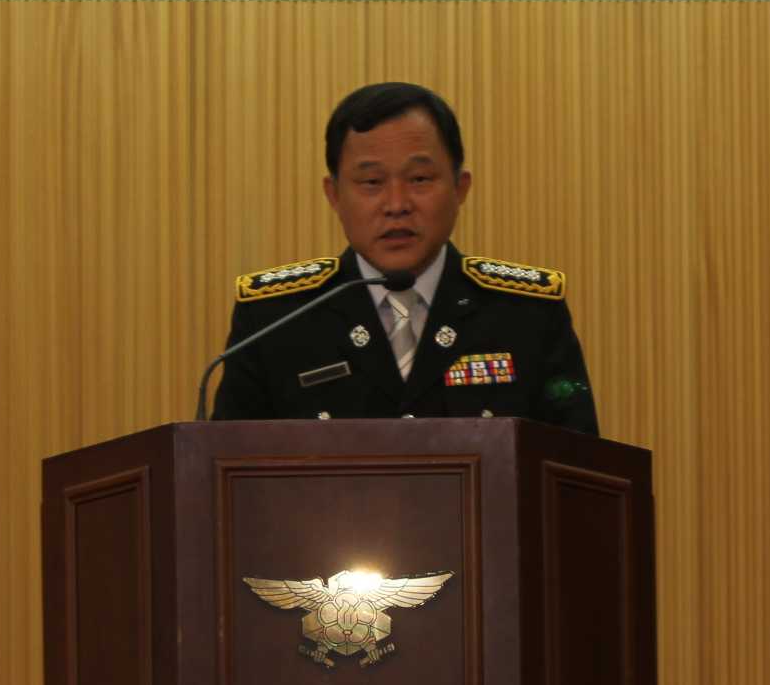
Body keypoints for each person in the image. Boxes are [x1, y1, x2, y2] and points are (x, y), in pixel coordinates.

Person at [208, 82, 599, 435]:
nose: (396, 204)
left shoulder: (527, 313)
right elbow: (225, 469)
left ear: (460, 188)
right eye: (372, 182)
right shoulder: (274, 319)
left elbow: (578, 463)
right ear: (334, 195)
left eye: (419, 179)